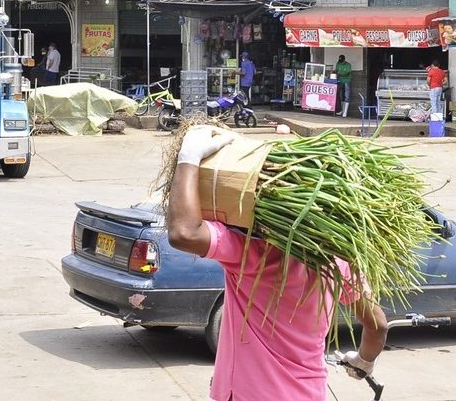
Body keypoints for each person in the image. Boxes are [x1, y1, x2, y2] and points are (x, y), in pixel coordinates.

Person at [166, 126, 389, 401]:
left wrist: (188, 157)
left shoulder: (250, 253)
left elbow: (183, 232)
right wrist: (363, 361)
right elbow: (378, 325)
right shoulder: (338, 260)